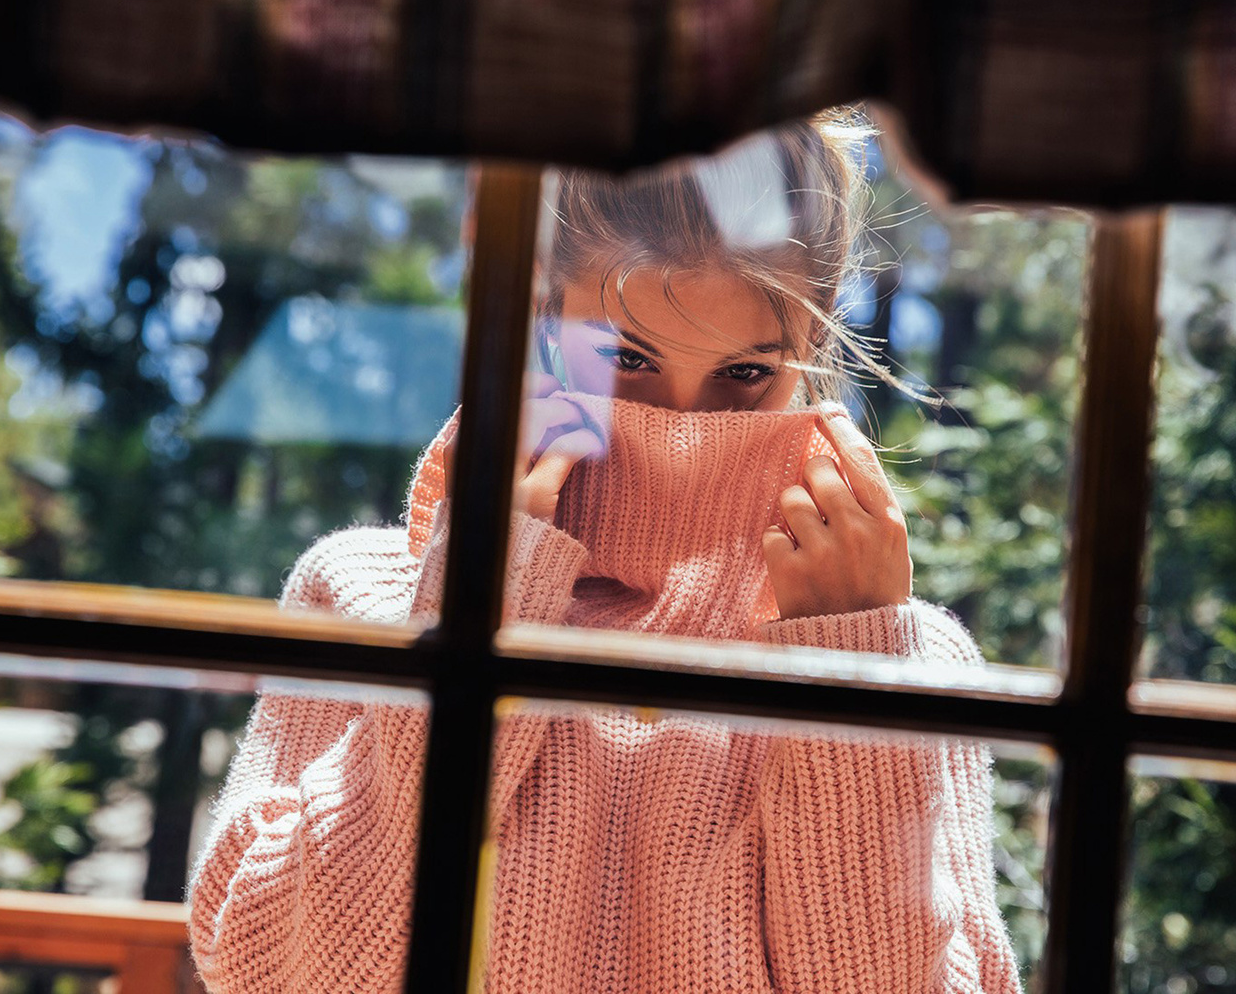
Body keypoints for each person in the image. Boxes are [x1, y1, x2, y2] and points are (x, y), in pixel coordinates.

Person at [188, 111, 1023, 994]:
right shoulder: (362, 592)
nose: (681, 423)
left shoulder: (903, 653)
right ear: (536, 321)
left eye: (746, 374)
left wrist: (855, 667)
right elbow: (261, 966)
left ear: (808, 360)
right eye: (625, 356)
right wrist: (471, 608)